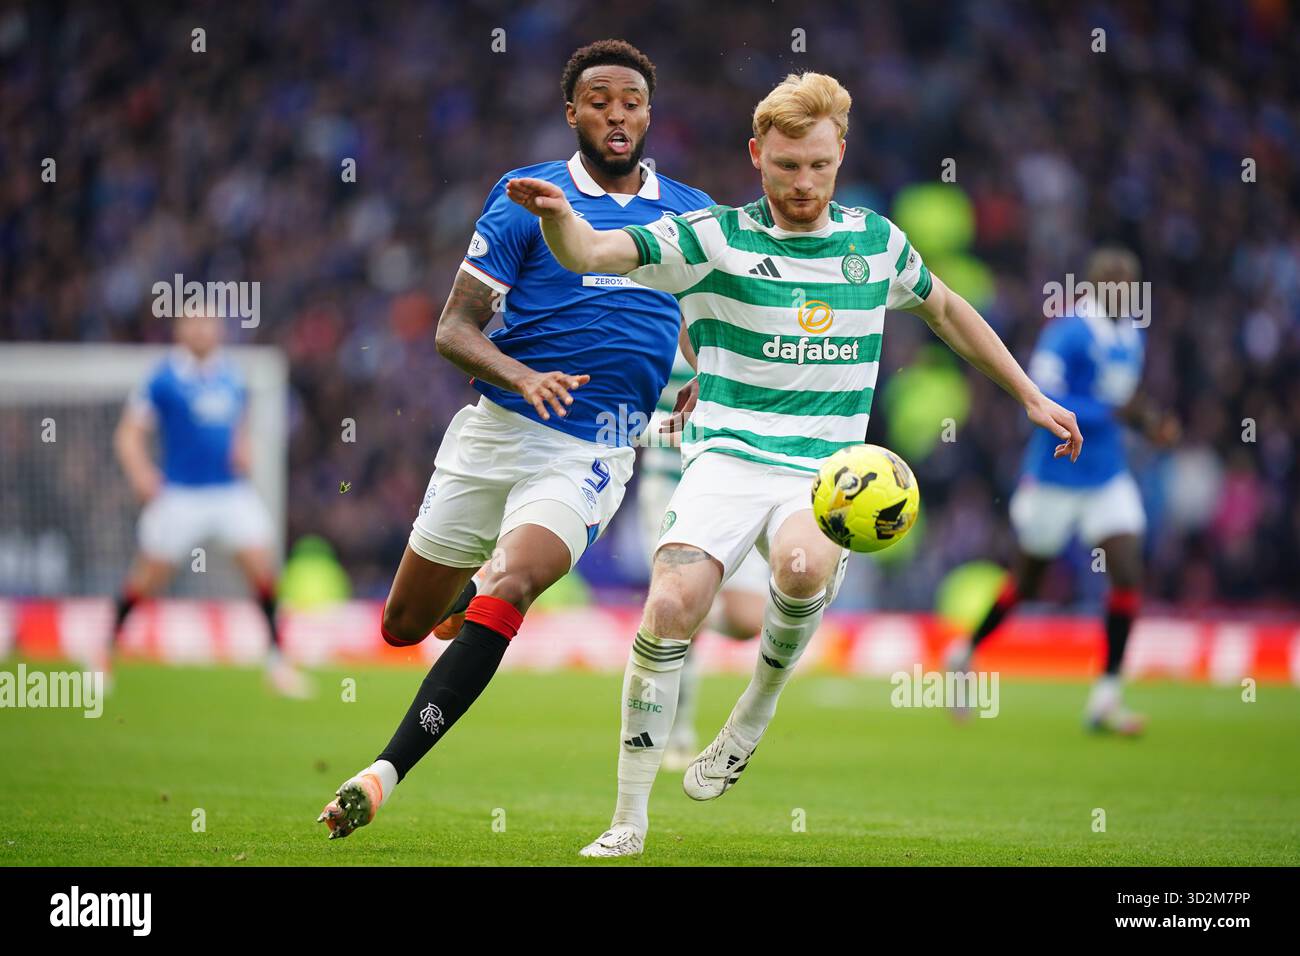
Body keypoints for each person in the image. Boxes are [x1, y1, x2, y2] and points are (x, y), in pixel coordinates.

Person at [506, 71, 1083, 857]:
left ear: (840, 152)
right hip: (724, 456)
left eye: (817, 165)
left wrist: (1028, 395)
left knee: (805, 568)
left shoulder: (875, 244)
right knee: (671, 605)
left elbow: (945, 309)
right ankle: (628, 819)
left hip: (826, 471)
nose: (803, 183)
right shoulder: (714, 238)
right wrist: (560, 220)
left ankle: (754, 713)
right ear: (756, 156)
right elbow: (593, 252)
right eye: (785, 166)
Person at [318, 40, 713, 839]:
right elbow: (454, 328)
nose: (617, 114)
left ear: (649, 112)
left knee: (518, 581)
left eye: (631, 100)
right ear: (572, 112)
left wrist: (707, 373)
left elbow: (714, 318)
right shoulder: (525, 198)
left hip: (592, 450)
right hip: (495, 433)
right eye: (599, 100)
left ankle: (384, 771)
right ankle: (458, 602)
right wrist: (521, 375)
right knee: (404, 626)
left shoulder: (692, 214)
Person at [947, 247, 1178, 734]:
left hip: (1107, 474)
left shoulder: (1131, 334)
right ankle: (964, 653)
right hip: (1055, 476)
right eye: (1112, 282)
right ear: (1094, 287)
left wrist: (1149, 421)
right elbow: (1044, 395)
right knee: (1028, 582)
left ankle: (1106, 697)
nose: (1122, 291)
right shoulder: (1068, 333)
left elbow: (1121, 399)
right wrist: (1112, 414)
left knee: (1128, 569)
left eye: (1128, 283)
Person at [108, 311, 309, 698]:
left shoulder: (231, 375)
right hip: (181, 493)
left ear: (218, 330)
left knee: (261, 567)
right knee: (148, 577)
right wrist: (141, 474)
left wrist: (242, 446)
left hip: (228, 491)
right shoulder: (163, 379)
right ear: (180, 330)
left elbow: (237, 424)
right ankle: (105, 650)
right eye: (193, 323)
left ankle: (277, 661)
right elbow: (129, 434)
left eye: (208, 323)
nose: (201, 330)